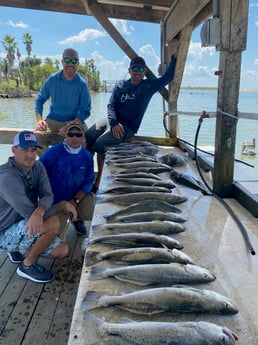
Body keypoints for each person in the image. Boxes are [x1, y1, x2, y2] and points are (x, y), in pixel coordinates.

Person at [86, 46, 178, 192]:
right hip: (113, 121)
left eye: (141, 70)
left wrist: (174, 59)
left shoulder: (149, 86)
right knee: (88, 136)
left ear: (145, 72)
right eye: (135, 69)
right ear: (129, 71)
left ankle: (98, 183)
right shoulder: (121, 85)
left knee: (99, 144)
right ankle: (85, 175)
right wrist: (114, 122)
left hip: (128, 127)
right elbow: (110, 105)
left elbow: (167, 78)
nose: (138, 72)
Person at [0, 131, 76, 284]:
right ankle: (27, 265)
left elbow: (48, 195)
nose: (30, 155)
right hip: (4, 230)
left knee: (62, 251)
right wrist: (61, 205)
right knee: (53, 223)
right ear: (14, 149)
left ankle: (15, 249)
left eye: (33, 150)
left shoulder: (37, 166)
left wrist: (40, 211)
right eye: (25, 149)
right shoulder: (7, 177)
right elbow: (29, 213)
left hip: (24, 220)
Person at [39, 122, 95, 237]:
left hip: (77, 198)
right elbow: (37, 173)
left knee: (100, 210)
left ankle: (76, 218)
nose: (74, 137)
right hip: (56, 202)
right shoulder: (53, 152)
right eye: (71, 134)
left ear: (83, 136)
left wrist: (75, 200)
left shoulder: (87, 156)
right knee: (54, 240)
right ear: (65, 135)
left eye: (78, 134)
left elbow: (89, 181)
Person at [35, 48, 91, 154]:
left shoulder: (82, 84)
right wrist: (39, 120)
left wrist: (69, 126)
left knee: (82, 142)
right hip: (52, 121)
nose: (70, 64)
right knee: (34, 140)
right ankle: (52, 165)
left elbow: (85, 111)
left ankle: (74, 169)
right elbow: (39, 99)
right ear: (62, 62)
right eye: (67, 60)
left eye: (74, 61)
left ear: (78, 64)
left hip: (74, 121)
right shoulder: (52, 80)